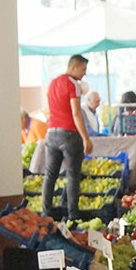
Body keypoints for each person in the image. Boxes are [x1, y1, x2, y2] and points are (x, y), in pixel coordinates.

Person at [41, 54, 93, 221]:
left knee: (50, 175)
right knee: (72, 175)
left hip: (51, 133)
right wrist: (86, 138)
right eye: (83, 69)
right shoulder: (73, 85)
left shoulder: (52, 84)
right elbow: (76, 113)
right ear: (74, 67)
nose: (84, 73)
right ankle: (73, 215)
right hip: (69, 134)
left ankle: (45, 213)